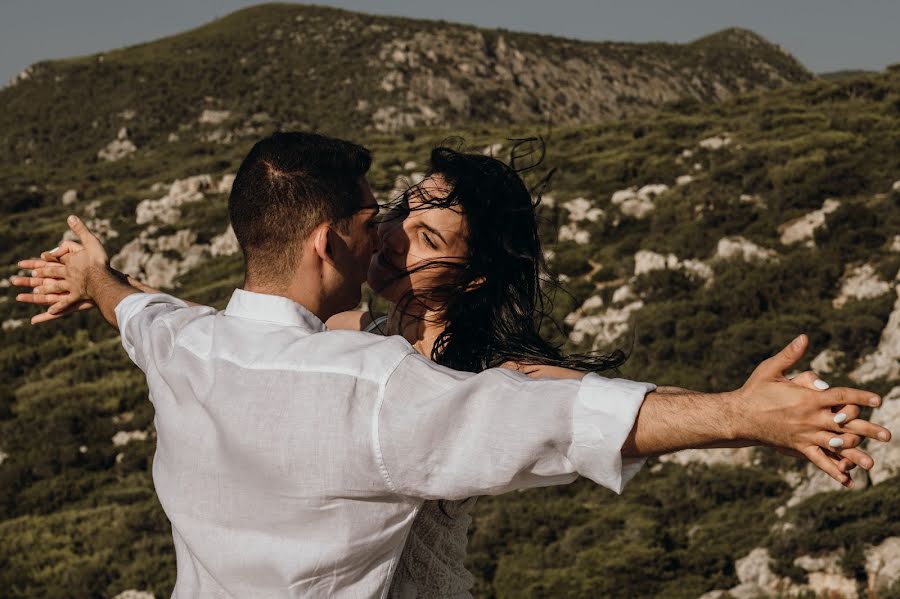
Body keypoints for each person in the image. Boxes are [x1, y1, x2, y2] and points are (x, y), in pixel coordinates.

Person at [13, 132, 890, 598]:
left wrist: (741, 414)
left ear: (469, 275)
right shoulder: (350, 367)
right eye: (391, 215)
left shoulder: (263, 357)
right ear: (334, 241)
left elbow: (562, 414)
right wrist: (105, 282)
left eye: (425, 234)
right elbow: (149, 314)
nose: (391, 232)